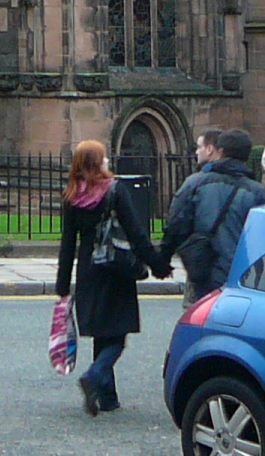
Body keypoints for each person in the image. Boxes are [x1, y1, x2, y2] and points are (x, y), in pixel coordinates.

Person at [54, 139, 168, 417]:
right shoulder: (114, 190)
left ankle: (107, 398)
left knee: (102, 333)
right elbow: (136, 233)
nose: (107, 161)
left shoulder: (72, 196)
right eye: (103, 157)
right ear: (96, 163)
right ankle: (94, 375)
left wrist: (62, 285)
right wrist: (157, 264)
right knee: (117, 336)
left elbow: (67, 245)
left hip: (88, 272)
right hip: (116, 269)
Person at [157, 127, 265, 299]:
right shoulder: (258, 193)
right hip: (243, 274)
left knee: (201, 312)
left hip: (203, 271)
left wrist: (163, 260)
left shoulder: (195, 183)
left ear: (221, 152)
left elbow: (176, 224)